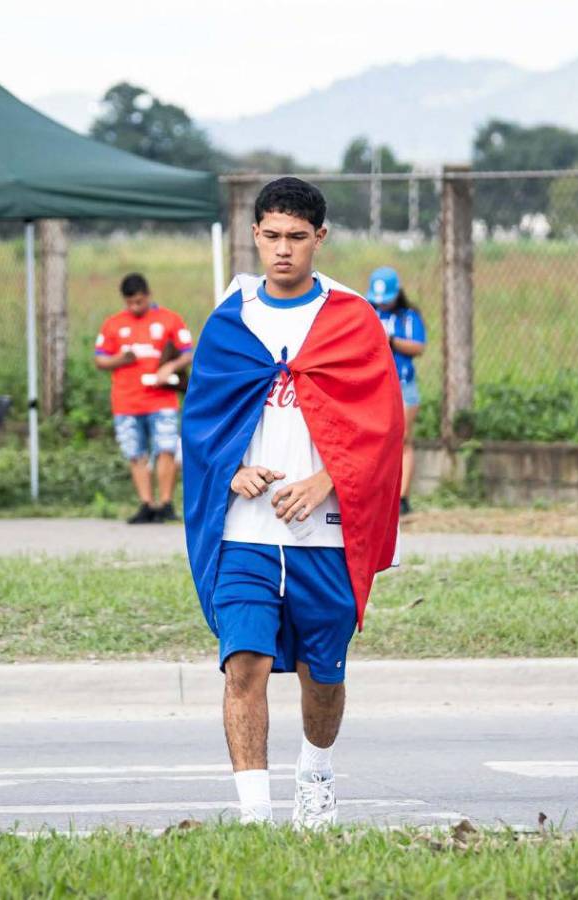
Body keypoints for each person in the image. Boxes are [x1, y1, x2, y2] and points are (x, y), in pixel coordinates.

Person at [182, 177, 403, 829]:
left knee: (322, 676)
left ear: (320, 239)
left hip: (325, 536)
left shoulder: (351, 316)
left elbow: (381, 424)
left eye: (297, 239)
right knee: (242, 661)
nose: (283, 251)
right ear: (255, 235)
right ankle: (255, 816)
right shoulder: (231, 318)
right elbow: (201, 419)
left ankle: (316, 771)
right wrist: (233, 472)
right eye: (272, 237)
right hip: (245, 535)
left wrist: (327, 480)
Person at [94, 273, 194, 524]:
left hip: (161, 400)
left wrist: (169, 368)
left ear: (148, 295)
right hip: (126, 402)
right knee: (135, 453)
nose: (134, 307)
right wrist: (120, 360)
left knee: (166, 449)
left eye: (139, 301)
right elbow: (100, 359)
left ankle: (166, 504)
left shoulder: (169, 319)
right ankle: (146, 504)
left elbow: (187, 352)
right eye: (130, 303)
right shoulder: (113, 324)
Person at [367, 266, 427, 515]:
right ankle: (376, 494)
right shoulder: (366, 311)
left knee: (402, 440)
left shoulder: (408, 316)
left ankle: (402, 498)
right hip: (373, 385)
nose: (383, 304)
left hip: (403, 386)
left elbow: (418, 347)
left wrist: (390, 340)